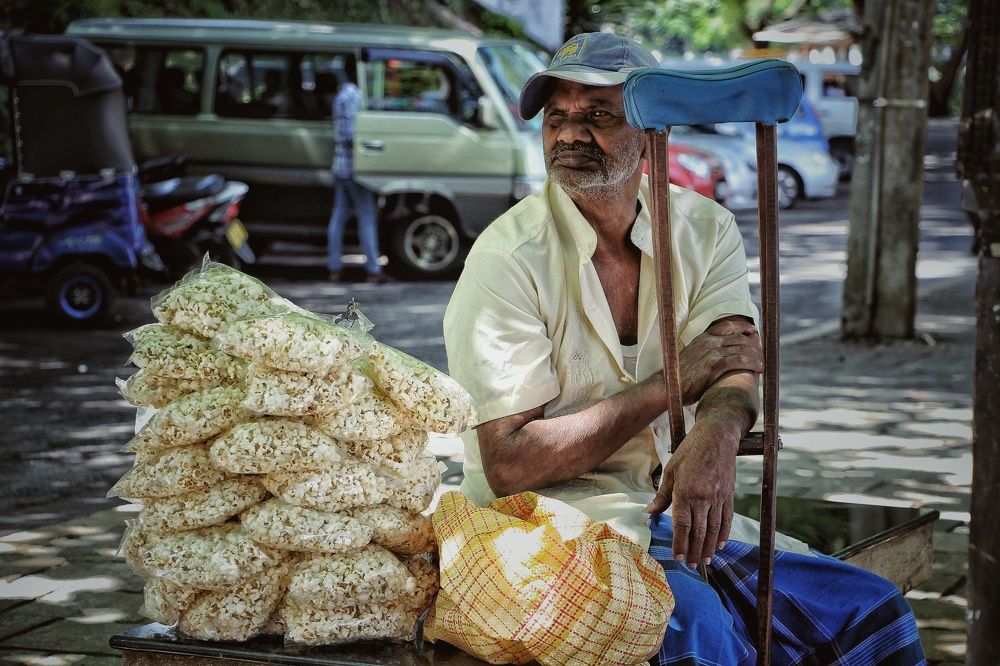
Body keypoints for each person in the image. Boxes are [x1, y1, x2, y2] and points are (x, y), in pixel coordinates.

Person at [443, 32, 925, 665]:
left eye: (598, 116)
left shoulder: (703, 228)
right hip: (544, 526)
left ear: (649, 132)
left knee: (870, 609)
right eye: (557, 117)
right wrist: (668, 384)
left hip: (663, 515)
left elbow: (735, 362)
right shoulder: (508, 258)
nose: (569, 135)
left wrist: (715, 436)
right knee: (694, 624)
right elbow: (509, 464)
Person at [327, 54, 387, 284]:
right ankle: (373, 268)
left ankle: (334, 267)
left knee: (339, 215)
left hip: (340, 163)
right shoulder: (354, 95)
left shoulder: (341, 95)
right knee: (366, 214)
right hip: (355, 165)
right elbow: (354, 134)